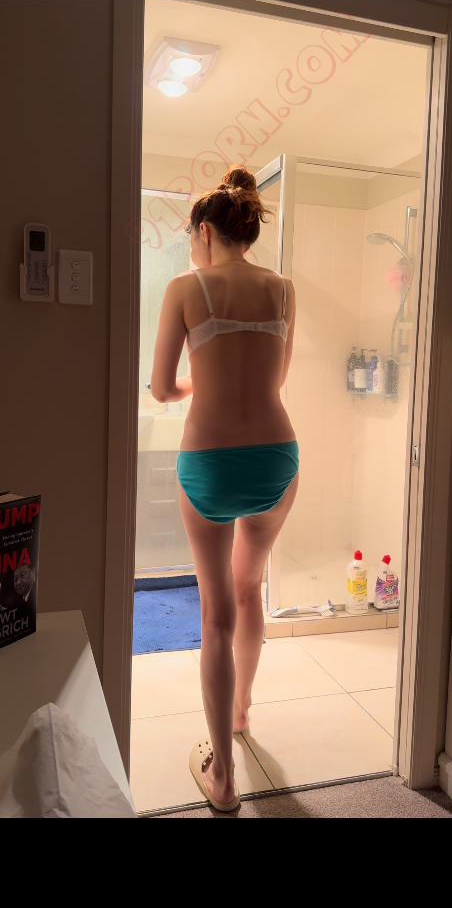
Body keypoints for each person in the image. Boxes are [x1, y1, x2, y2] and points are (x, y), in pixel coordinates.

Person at [150, 165, 299, 812]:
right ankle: (241, 712)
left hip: (209, 463)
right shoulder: (283, 289)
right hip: (276, 459)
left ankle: (224, 780)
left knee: (216, 613)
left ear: (205, 232)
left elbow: (162, 387)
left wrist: (196, 382)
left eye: (192, 238)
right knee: (249, 587)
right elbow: (276, 378)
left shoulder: (186, 288)